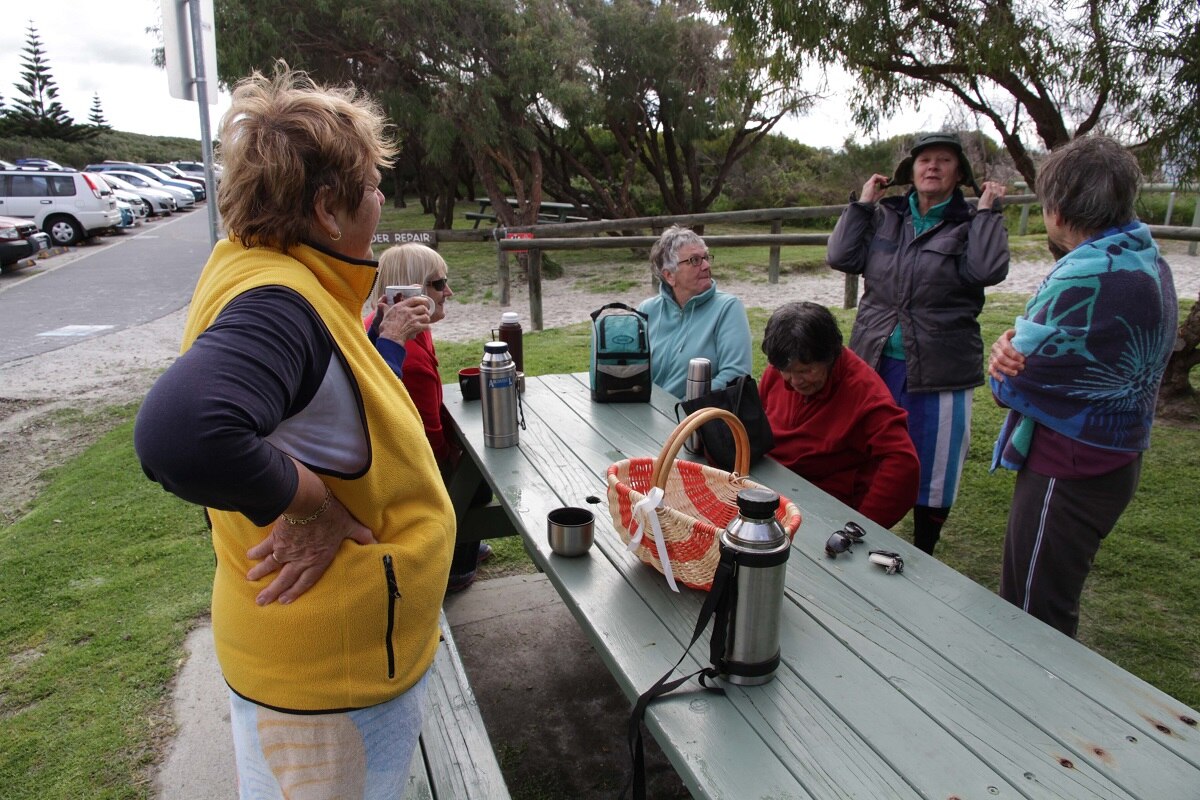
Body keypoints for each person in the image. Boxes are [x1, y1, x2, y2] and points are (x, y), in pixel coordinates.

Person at [133, 65, 454, 796]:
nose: (381, 198)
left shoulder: (258, 270)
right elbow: (180, 432)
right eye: (371, 185)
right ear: (327, 209)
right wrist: (311, 506)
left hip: (310, 660)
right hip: (331, 679)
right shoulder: (281, 302)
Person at [988, 135, 1177, 638]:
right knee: (1053, 597)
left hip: (1068, 466)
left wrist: (1005, 353)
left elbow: (1011, 383)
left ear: (1058, 208)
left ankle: (1032, 690)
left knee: (1033, 613)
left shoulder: (1089, 276)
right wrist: (1015, 344)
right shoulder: (1144, 258)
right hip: (1116, 454)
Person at [827, 131, 1010, 554]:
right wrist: (862, 204)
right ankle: (859, 532)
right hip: (876, 359)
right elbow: (841, 257)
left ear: (959, 173)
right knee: (866, 451)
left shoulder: (969, 222)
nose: (932, 167)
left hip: (939, 365)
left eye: (944, 160)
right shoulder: (886, 215)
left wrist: (987, 213)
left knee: (935, 463)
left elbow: (987, 270)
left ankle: (925, 548)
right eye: (924, 160)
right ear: (910, 171)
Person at [363, 243, 493, 593]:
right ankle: (455, 564)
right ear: (412, 290)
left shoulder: (398, 328)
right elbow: (428, 439)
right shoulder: (409, 355)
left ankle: (463, 540)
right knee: (478, 482)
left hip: (390, 459)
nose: (448, 292)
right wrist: (458, 455)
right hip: (404, 470)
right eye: (439, 284)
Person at [759, 302, 920, 528]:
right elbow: (756, 426)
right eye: (786, 371)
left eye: (805, 371)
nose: (794, 381)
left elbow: (903, 465)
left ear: (830, 358)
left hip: (825, 506)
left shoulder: (865, 394)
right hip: (769, 485)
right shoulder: (783, 366)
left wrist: (861, 527)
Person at [638, 224, 752, 398]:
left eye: (705, 258)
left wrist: (682, 407)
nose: (706, 265)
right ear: (669, 275)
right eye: (695, 260)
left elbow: (736, 374)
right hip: (644, 409)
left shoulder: (727, 308)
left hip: (694, 412)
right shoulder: (647, 310)